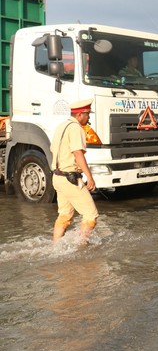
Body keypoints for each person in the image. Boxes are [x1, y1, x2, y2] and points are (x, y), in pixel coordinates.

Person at [50, 99, 99, 244]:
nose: (89, 117)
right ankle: (80, 249)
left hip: (58, 177)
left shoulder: (61, 126)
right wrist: (89, 178)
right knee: (91, 215)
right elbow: (78, 153)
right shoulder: (76, 128)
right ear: (80, 115)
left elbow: (53, 149)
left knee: (64, 216)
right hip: (70, 179)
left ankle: (55, 248)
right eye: (88, 114)